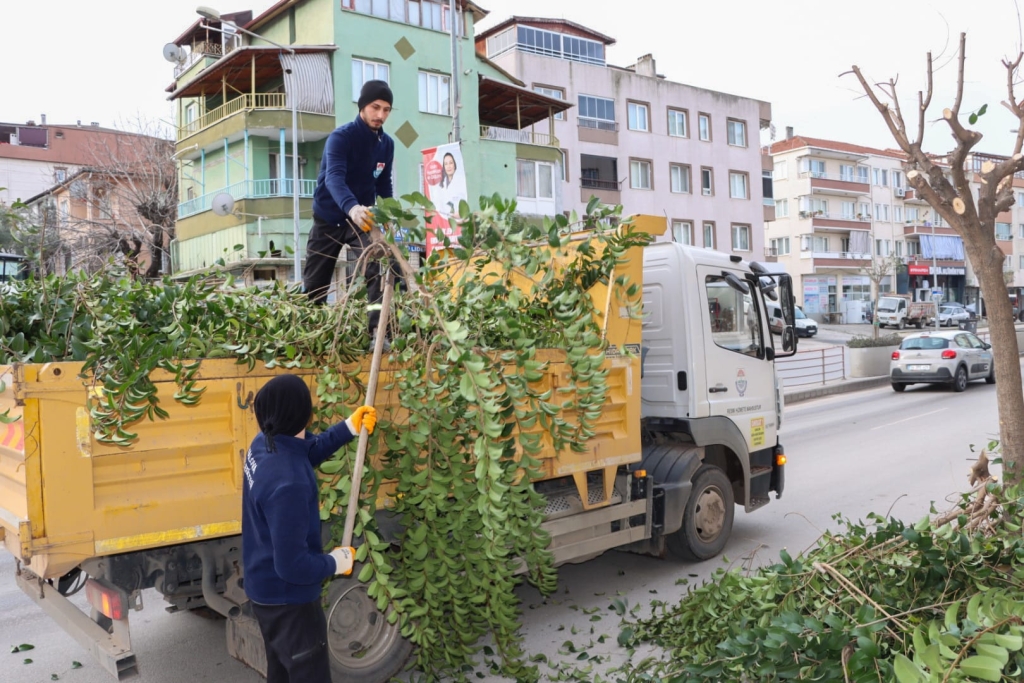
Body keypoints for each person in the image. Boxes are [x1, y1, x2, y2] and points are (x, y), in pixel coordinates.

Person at [242, 374, 378, 683]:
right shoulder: (289, 483)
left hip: (264, 592)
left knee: (281, 672)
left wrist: (348, 428)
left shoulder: (264, 443)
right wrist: (335, 562)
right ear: (303, 414)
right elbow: (292, 566)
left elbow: (305, 450)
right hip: (290, 603)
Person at [305, 79, 395, 339]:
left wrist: (388, 214)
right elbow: (334, 178)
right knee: (314, 284)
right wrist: (351, 207)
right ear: (363, 106)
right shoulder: (341, 138)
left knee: (377, 267)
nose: (380, 115)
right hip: (329, 217)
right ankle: (313, 333)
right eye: (375, 107)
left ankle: (379, 332)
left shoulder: (386, 145)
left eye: (386, 110)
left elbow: (384, 182)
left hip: (362, 220)